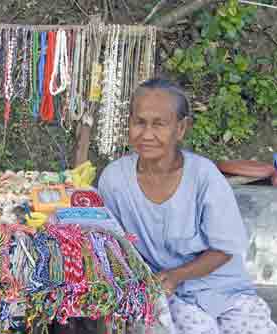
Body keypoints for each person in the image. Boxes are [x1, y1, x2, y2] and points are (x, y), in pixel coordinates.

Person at [98, 78, 277, 334]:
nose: (147, 134)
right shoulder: (114, 180)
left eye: (159, 124)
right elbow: (112, 247)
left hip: (222, 288)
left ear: (181, 129)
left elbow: (225, 249)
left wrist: (177, 275)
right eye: (139, 122)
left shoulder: (205, 177)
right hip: (162, 290)